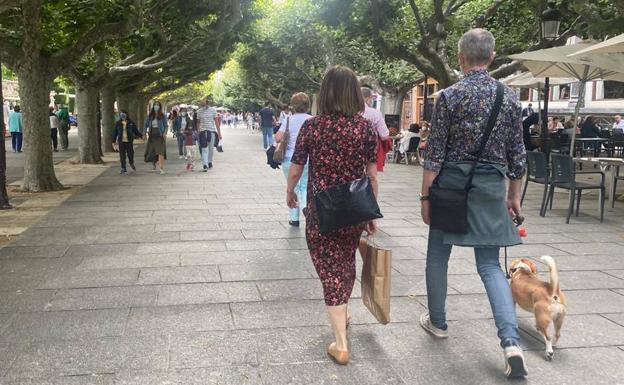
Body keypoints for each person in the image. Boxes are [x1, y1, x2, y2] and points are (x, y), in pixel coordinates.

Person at [420, 29, 528, 378]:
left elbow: (434, 154)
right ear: (492, 58)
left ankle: (437, 322)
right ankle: (511, 342)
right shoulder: (509, 98)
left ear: (460, 58)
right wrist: (513, 196)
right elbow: (518, 157)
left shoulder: (448, 97)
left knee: (438, 253)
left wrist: (425, 197)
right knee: (490, 266)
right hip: (490, 187)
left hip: (451, 185)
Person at [286, 65, 378, 366]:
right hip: (353, 209)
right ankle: (344, 312)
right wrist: (371, 212)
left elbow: (298, 165)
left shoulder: (312, 126)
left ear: (324, 93)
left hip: (320, 209)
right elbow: (372, 174)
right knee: (345, 262)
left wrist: (290, 191)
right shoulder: (364, 127)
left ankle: (340, 343)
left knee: (329, 270)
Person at [276, 93, 312, 227]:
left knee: (292, 187)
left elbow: (278, 138)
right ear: (307, 105)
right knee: (305, 186)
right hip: (308, 159)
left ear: (293, 106)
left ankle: (294, 218)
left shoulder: (288, 120)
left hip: (289, 159)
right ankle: (307, 210)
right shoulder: (312, 119)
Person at [196, 96, 222, 171]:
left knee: (211, 149)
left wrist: (219, 133)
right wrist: (198, 131)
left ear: (207, 103)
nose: (204, 105)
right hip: (203, 132)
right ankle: (205, 164)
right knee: (204, 149)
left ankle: (209, 161)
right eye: (202, 104)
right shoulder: (199, 111)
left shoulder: (213, 110)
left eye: (205, 103)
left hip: (212, 132)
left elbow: (216, 122)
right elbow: (198, 122)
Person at [143, 101, 168, 174]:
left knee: (161, 152)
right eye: (155, 105)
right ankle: (154, 164)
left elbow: (166, 126)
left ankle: (161, 168)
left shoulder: (163, 115)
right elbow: (145, 125)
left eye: (157, 105)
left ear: (160, 107)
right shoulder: (150, 116)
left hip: (160, 136)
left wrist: (164, 133)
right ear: (153, 106)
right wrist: (144, 134)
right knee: (152, 151)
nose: (156, 106)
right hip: (152, 135)